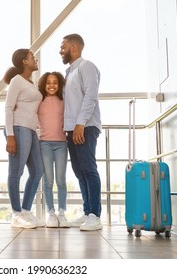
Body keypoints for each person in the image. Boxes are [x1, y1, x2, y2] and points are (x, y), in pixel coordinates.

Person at [59, 33, 103, 231]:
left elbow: (91, 96)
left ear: (74, 47)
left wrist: (80, 124)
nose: (61, 51)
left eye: (63, 47)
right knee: (79, 171)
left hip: (85, 126)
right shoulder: (69, 73)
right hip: (72, 128)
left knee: (88, 168)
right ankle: (87, 212)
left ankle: (95, 215)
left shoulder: (87, 67)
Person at [3, 48, 45, 229]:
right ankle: (16, 213)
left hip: (30, 130)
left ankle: (26, 211)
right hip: (18, 129)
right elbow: (8, 108)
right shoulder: (17, 80)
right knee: (16, 171)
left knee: (38, 171)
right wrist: (10, 136)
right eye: (32, 57)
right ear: (24, 61)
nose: (35, 60)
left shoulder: (30, 83)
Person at [37, 72, 72, 228]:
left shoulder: (64, 101)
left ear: (60, 85)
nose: (51, 85)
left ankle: (62, 213)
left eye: (55, 82)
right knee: (48, 181)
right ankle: (51, 214)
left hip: (61, 144)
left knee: (61, 180)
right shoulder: (39, 101)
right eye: (48, 83)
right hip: (44, 144)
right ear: (44, 85)